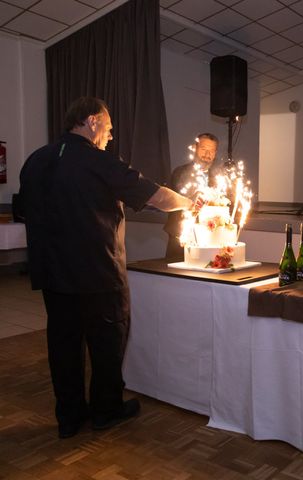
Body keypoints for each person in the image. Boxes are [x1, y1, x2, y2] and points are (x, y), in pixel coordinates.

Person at [18, 97, 194, 439]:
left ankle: (69, 417)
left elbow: (25, 210)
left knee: (63, 345)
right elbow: (155, 196)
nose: (110, 137)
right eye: (109, 128)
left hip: (52, 274)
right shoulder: (99, 162)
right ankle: (106, 410)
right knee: (107, 342)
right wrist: (190, 203)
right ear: (93, 121)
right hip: (98, 272)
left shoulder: (35, 161)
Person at [164, 133, 223, 259]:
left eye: (211, 151)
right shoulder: (180, 173)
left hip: (210, 239)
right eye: (203, 149)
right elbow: (179, 198)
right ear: (195, 148)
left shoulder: (220, 178)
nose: (207, 155)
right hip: (181, 238)